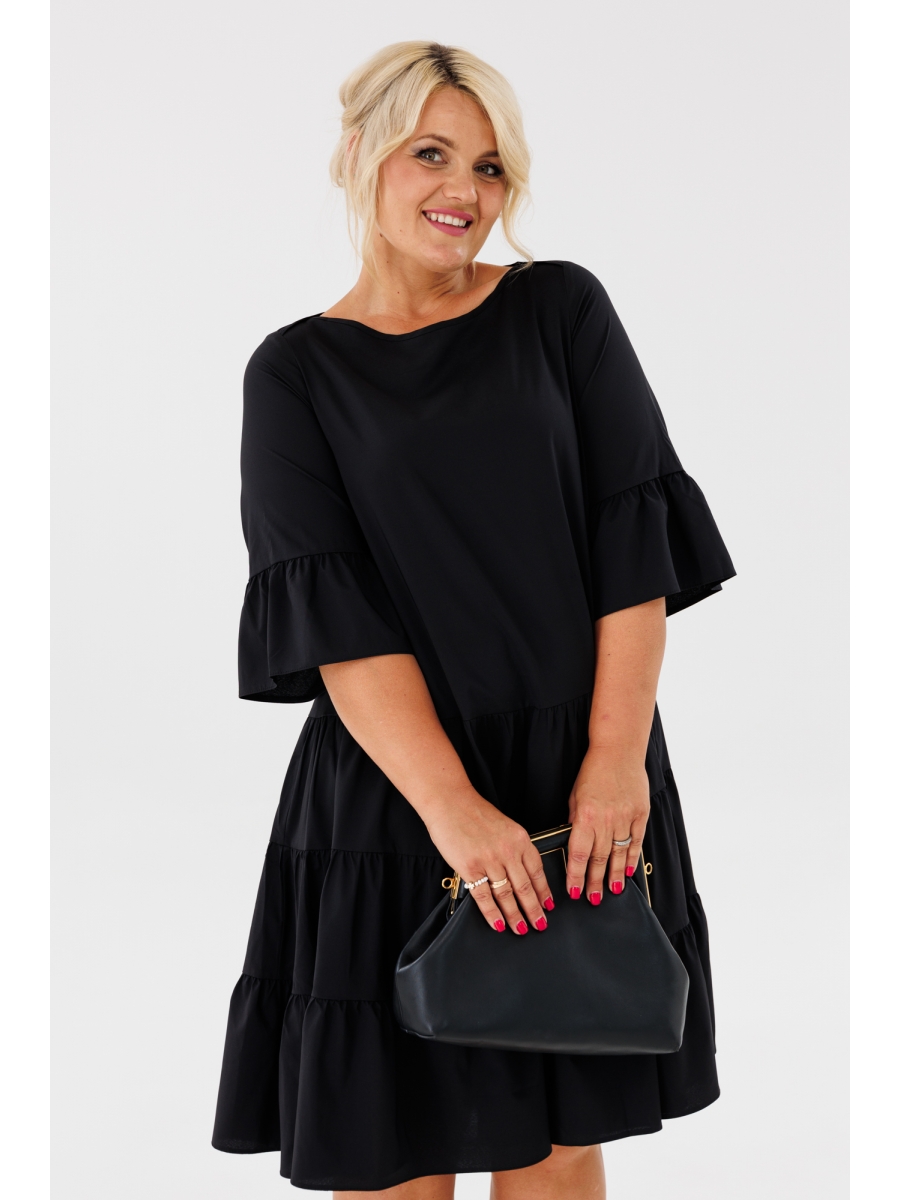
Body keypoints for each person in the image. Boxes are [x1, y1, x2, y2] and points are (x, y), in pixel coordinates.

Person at [212, 40, 735, 1200]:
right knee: (390, 1152)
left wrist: (615, 762)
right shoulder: (294, 373)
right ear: (361, 153)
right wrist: (453, 811)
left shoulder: (559, 307)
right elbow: (336, 619)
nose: (466, 191)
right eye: (433, 154)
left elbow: (633, 544)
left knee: (558, 1142)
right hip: (394, 790)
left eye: (491, 167)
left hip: (580, 772)